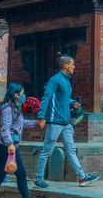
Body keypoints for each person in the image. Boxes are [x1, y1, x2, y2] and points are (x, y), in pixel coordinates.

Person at [34, 55, 99, 189]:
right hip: (55, 122)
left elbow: (63, 99)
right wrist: (41, 117)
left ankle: (82, 178)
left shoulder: (67, 81)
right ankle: (39, 179)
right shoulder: (55, 80)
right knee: (47, 151)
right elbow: (46, 97)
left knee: (71, 150)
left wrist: (72, 102)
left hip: (66, 123)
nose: (74, 66)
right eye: (72, 64)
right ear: (65, 66)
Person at [0, 82, 45, 198]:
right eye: (22, 94)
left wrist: (35, 123)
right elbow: (5, 129)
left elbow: (21, 124)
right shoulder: (7, 109)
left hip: (12, 148)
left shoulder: (16, 108)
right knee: (0, 176)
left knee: (21, 174)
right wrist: (10, 143)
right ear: (16, 95)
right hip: (5, 148)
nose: (24, 96)